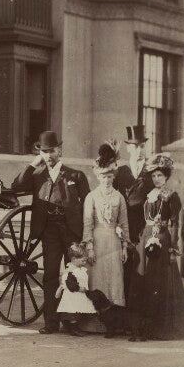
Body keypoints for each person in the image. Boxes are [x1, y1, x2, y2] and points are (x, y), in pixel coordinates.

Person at [11, 130, 90, 335]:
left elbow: (88, 205)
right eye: (45, 151)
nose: (49, 155)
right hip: (49, 230)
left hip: (71, 229)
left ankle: (72, 321)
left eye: (52, 151)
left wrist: (85, 235)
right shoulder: (37, 175)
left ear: (60, 150)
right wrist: (33, 163)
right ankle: (51, 322)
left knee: (74, 273)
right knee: (51, 275)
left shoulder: (76, 175)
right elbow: (16, 185)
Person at [128, 154, 184, 341]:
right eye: (154, 176)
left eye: (160, 176)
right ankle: (143, 326)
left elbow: (175, 223)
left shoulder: (171, 196)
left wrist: (172, 246)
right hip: (145, 237)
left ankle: (159, 327)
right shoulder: (148, 195)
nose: (156, 179)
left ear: (166, 177)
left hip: (160, 238)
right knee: (143, 280)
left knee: (157, 281)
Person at [81, 142, 129, 332]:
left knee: (114, 280)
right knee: (97, 280)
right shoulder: (91, 197)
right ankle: (93, 322)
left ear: (113, 176)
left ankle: (114, 323)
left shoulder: (119, 197)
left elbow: (124, 224)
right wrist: (89, 247)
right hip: (98, 242)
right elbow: (87, 224)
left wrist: (125, 246)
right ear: (98, 177)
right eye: (103, 176)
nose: (106, 180)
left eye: (109, 176)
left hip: (114, 244)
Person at [113, 125, 153, 297]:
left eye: (142, 146)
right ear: (129, 148)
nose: (139, 150)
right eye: (135, 146)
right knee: (125, 266)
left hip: (144, 224)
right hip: (124, 223)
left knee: (142, 267)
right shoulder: (120, 171)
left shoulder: (151, 172)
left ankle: (139, 312)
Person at [55, 243, 97, 337]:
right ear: (74, 259)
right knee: (73, 312)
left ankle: (74, 327)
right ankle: (73, 329)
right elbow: (70, 284)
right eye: (82, 261)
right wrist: (79, 288)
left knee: (77, 312)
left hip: (78, 296)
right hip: (72, 295)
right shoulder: (71, 271)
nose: (84, 263)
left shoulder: (79, 269)